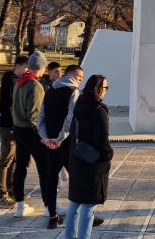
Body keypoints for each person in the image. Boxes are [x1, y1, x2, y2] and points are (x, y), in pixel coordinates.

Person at [64, 74, 113, 239]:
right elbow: (102, 140)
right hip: (92, 163)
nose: (106, 91)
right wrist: (108, 155)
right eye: (105, 88)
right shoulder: (99, 111)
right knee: (88, 207)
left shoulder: (79, 105)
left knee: (74, 204)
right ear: (98, 89)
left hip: (77, 159)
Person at [38, 64, 83, 229]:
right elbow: (71, 119)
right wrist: (60, 139)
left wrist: (45, 138)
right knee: (78, 179)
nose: (80, 81)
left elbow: (41, 117)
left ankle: (52, 216)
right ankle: (82, 214)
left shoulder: (50, 91)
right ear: (71, 76)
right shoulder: (73, 92)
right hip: (65, 144)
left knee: (50, 180)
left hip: (50, 144)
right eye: (79, 77)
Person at [11, 51, 50, 218]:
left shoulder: (20, 82)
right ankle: (49, 207)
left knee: (20, 168)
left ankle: (19, 206)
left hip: (19, 130)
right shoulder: (35, 85)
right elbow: (34, 116)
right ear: (40, 68)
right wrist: (44, 137)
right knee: (45, 169)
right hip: (30, 132)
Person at [0, 55, 28, 208]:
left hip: (16, 126)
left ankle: (11, 189)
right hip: (8, 125)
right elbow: (6, 106)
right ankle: (1, 195)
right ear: (19, 66)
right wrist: (14, 123)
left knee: (13, 159)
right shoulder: (10, 81)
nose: (28, 71)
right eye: (27, 67)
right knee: (6, 159)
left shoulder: (17, 80)